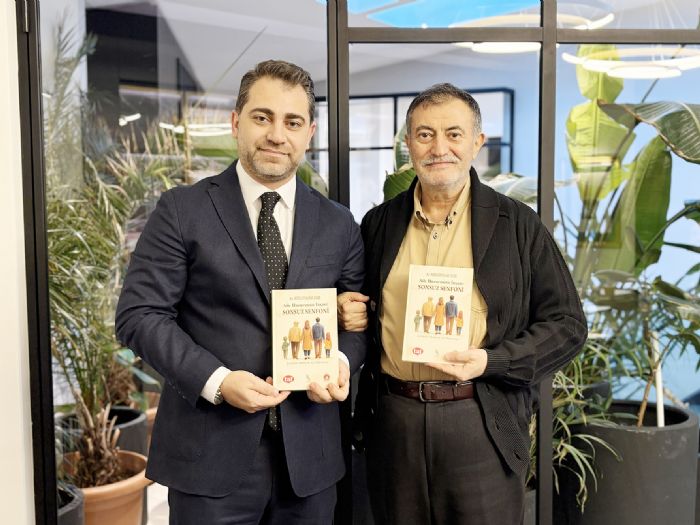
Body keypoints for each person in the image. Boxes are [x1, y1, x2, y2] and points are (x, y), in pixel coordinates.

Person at [116, 60, 366, 525]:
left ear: (309, 134)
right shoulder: (182, 210)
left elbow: (356, 322)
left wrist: (341, 362)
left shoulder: (339, 224)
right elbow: (140, 315)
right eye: (262, 117)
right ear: (236, 122)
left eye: (292, 122)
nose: (277, 135)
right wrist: (217, 381)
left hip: (310, 461)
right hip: (208, 456)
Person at [339, 83, 586, 525]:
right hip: (394, 423)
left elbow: (567, 325)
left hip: (481, 420)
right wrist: (347, 309)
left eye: (453, 134)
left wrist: (493, 361)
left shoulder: (518, 226)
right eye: (425, 134)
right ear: (409, 144)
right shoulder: (378, 223)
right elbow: (361, 307)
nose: (439, 148)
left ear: (477, 142)